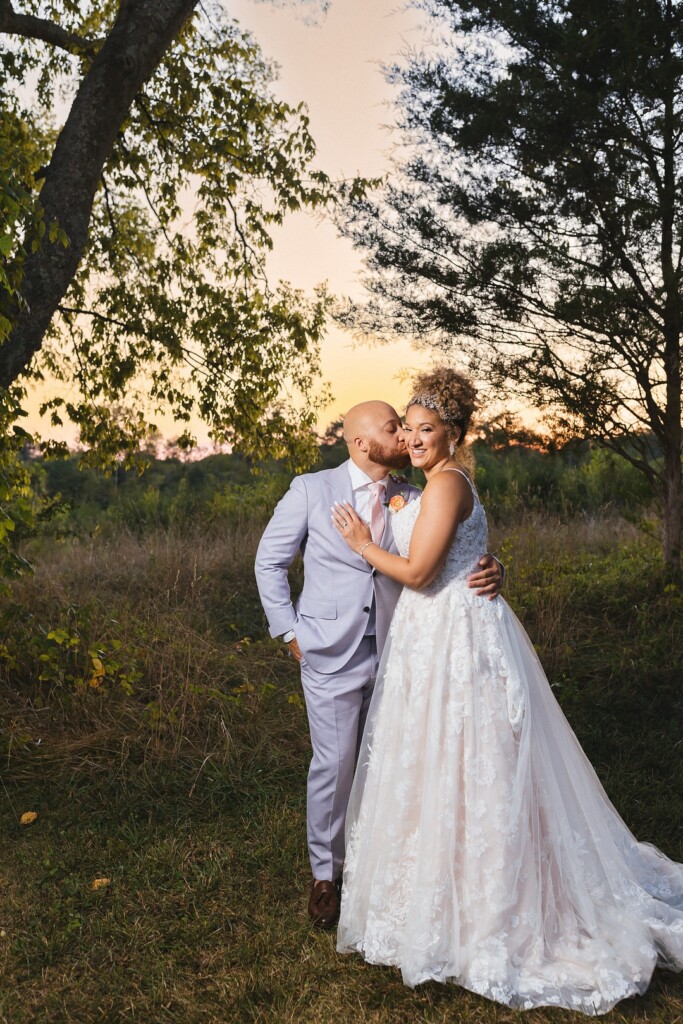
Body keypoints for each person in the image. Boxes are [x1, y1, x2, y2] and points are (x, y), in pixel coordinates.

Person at [332, 367, 683, 1015]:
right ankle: (441, 897)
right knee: (440, 764)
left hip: (454, 639)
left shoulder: (444, 483)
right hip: (434, 635)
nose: (412, 438)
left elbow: (417, 571)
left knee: (475, 762)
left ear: (454, 434)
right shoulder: (434, 484)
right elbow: (460, 549)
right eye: (406, 429)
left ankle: (494, 910)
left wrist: (360, 542)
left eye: (425, 429)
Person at [254, 399, 503, 928]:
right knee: (336, 763)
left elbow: (449, 545)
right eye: (395, 428)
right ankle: (326, 876)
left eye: (413, 428)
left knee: (399, 763)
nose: (405, 437)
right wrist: (289, 631)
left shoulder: (416, 493)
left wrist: (491, 565)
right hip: (329, 652)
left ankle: (382, 867)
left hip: (406, 652)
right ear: (365, 443)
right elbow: (270, 561)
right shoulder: (310, 490)